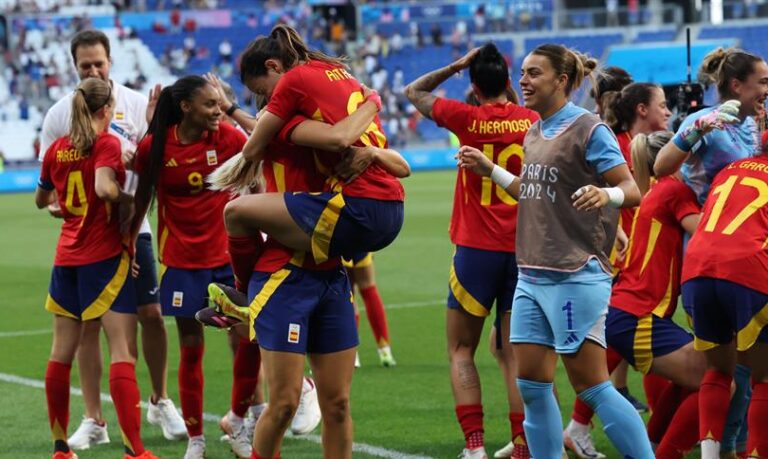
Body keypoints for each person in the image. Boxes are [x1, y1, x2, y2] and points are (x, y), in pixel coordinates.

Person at [203, 47, 410, 456]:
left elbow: (372, 151)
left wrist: (369, 123)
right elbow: (266, 129)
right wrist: (372, 100)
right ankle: (244, 298)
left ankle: (243, 303)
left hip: (330, 271)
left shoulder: (315, 122)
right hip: (284, 273)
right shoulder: (289, 125)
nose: (271, 101)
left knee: (339, 405)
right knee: (282, 404)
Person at [457, 44, 653, 459]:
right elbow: (531, 192)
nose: (523, 81)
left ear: (561, 81)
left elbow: (633, 189)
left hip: (574, 275)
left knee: (593, 387)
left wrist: (606, 194)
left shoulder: (589, 129)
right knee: (531, 385)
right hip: (530, 276)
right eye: (522, 73)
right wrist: (490, 170)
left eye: (534, 73)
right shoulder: (534, 130)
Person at [37, 29, 186, 449]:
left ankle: (160, 400)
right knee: (95, 331)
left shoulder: (136, 103)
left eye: (98, 63)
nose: (93, 70)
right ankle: (95, 420)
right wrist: (75, 202)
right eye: (85, 65)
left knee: (151, 314)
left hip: (134, 231)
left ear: (110, 61)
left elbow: (155, 161)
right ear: (74, 66)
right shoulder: (59, 114)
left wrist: (151, 131)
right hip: (97, 238)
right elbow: (59, 188)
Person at [404, 43, 539, 459]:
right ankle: (522, 446)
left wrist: (456, 66)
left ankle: (475, 446)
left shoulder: (466, 118)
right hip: (522, 251)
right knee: (514, 356)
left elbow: (414, 91)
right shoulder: (532, 120)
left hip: (475, 252)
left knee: (462, 350)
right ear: (509, 80)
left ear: (475, 86)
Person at [655, 47, 768, 456]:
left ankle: (721, 447)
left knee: (733, 371)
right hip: (717, 242)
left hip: (730, 248)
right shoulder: (706, 121)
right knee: (740, 370)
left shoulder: (756, 125)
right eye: (763, 82)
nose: (767, 90)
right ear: (737, 85)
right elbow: (660, 167)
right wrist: (695, 129)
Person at [36, 77, 157, 459]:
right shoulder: (105, 143)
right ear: (107, 109)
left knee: (60, 353)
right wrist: (128, 200)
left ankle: (60, 448)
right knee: (121, 351)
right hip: (102, 259)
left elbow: (42, 199)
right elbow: (105, 189)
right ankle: (135, 451)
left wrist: (65, 206)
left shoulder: (56, 148)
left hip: (65, 259)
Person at [131, 75, 248, 459]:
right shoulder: (155, 146)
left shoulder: (228, 138)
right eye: (210, 104)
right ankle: (196, 440)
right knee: (191, 348)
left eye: (219, 104)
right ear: (186, 108)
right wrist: (129, 243)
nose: (218, 110)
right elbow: (141, 197)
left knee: (247, 340)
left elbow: (259, 167)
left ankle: (239, 422)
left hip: (228, 258)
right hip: (182, 262)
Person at [223, 24, 405, 266]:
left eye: (263, 90)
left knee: (236, 213)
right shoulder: (336, 71)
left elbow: (252, 149)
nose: (268, 99)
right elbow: (403, 169)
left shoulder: (292, 82)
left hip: (357, 207)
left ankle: (244, 287)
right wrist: (372, 100)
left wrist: (374, 103)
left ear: (273, 66)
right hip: (392, 208)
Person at [564, 81, 673, 457]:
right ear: (642, 110)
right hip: (621, 259)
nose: (668, 111)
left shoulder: (646, 147)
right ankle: (579, 425)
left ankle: (651, 426)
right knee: (621, 338)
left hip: (634, 255)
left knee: (628, 340)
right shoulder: (620, 146)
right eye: (662, 104)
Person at [605, 131, 705, 458]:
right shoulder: (674, 190)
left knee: (692, 379)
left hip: (629, 312)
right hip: (638, 315)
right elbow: (706, 232)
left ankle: (647, 448)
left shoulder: (657, 189)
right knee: (715, 381)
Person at [681, 152, 768, 459]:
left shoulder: (731, 168)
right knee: (764, 377)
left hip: (697, 268)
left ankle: (710, 455)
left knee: (718, 371)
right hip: (747, 271)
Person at [344, 252, 397, 367]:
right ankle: (385, 350)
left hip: (339, 247)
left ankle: (352, 354)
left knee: (347, 293)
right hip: (361, 245)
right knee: (368, 288)